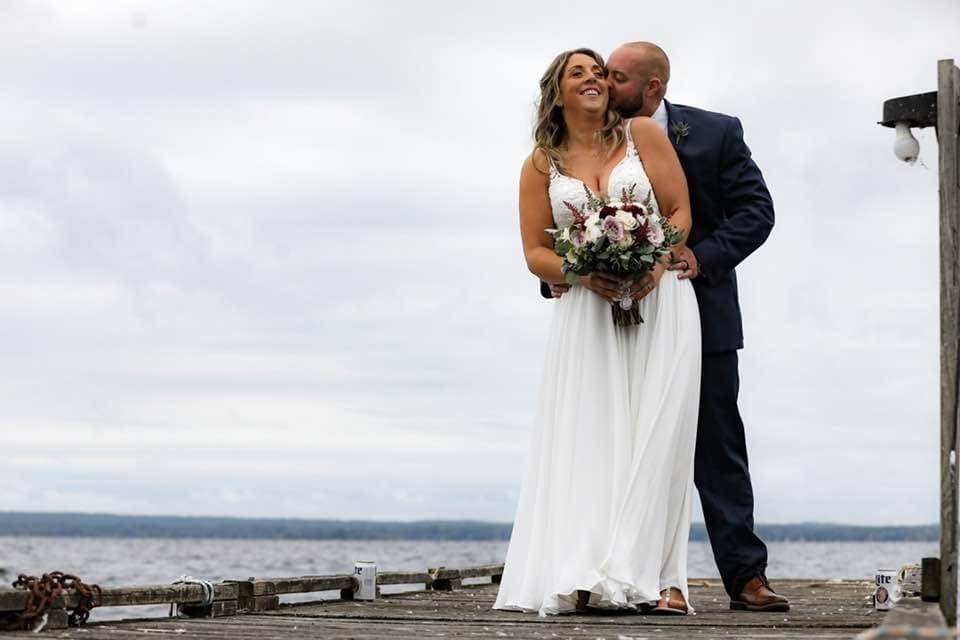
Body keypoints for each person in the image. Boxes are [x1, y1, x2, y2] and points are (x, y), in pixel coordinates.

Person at [548, 41, 787, 612]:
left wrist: (697, 257)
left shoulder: (715, 132)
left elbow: (757, 211)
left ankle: (746, 577)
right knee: (611, 440)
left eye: (618, 75)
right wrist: (564, 274)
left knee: (717, 443)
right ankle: (606, 572)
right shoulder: (585, 140)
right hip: (606, 318)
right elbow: (566, 219)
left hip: (698, 312)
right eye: (599, 72)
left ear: (653, 88)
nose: (604, 81)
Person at [492, 47, 701, 617]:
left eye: (598, 73)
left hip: (662, 303)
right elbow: (535, 252)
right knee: (593, 440)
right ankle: (587, 569)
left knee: (660, 436)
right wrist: (581, 271)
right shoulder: (541, 163)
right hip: (587, 313)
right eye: (576, 73)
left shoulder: (641, 134)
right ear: (557, 93)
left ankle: (664, 579)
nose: (592, 80)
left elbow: (680, 210)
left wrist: (656, 256)